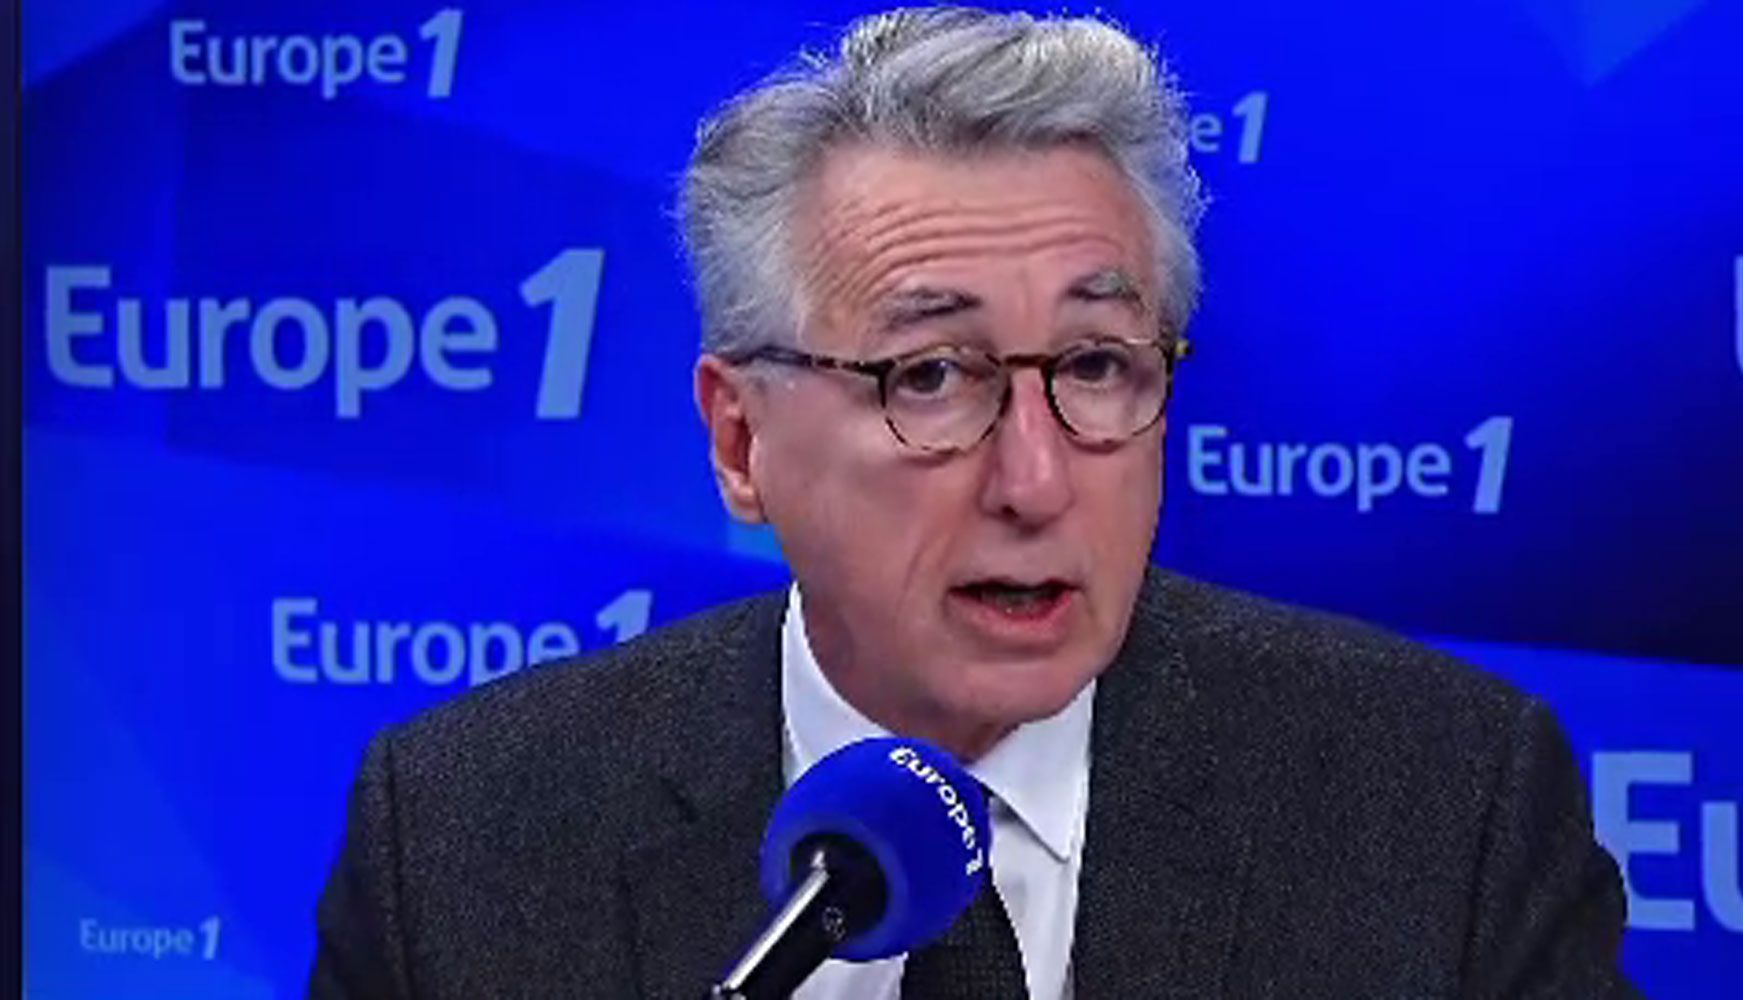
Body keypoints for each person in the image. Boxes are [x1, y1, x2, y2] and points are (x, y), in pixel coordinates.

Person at [310, 7, 1640, 998]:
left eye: (1097, 366)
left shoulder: (1441, 810)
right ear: (740, 438)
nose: (1037, 482)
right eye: (931, 376)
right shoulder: (465, 843)